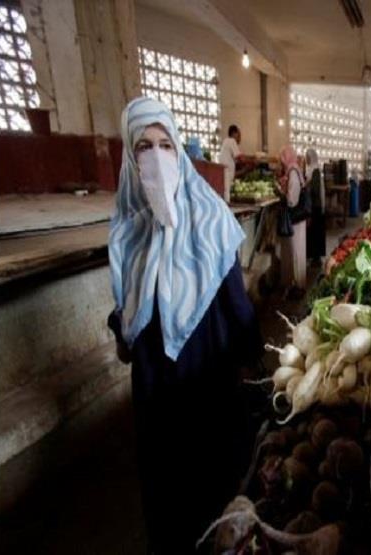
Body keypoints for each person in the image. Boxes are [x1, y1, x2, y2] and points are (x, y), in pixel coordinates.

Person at [108, 97, 261, 553]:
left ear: (180, 151)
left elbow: (237, 302)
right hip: (155, 394)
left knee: (212, 491)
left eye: (165, 145)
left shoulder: (210, 219)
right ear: (128, 158)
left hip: (208, 383)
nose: (155, 158)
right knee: (167, 501)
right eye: (142, 147)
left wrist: (254, 358)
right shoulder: (126, 232)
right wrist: (122, 331)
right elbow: (127, 321)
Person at [279, 145, 307, 298]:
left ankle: (297, 286)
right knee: (297, 251)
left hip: (296, 219)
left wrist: (282, 193)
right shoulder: (294, 171)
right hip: (298, 220)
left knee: (296, 251)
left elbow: (292, 200)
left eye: (283, 159)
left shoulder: (293, 173)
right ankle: (295, 283)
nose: (282, 163)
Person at [305, 148, 326, 265]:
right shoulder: (310, 170)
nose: (306, 159)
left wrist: (307, 186)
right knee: (312, 232)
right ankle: (312, 256)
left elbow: (315, 190)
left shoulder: (315, 171)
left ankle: (316, 258)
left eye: (307, 157)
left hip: (315, 206)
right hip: (313, 205)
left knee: (316, 232)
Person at [219, 124, 241, 201]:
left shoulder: (226, 141)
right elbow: (239, 157)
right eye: (239, 134)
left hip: (225, 173)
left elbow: (237, 159)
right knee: (226, 195)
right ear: (234, 133)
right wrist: (253, 159)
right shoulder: (231, 141)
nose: (240, 137)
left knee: (226, 193)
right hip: (226, 173)